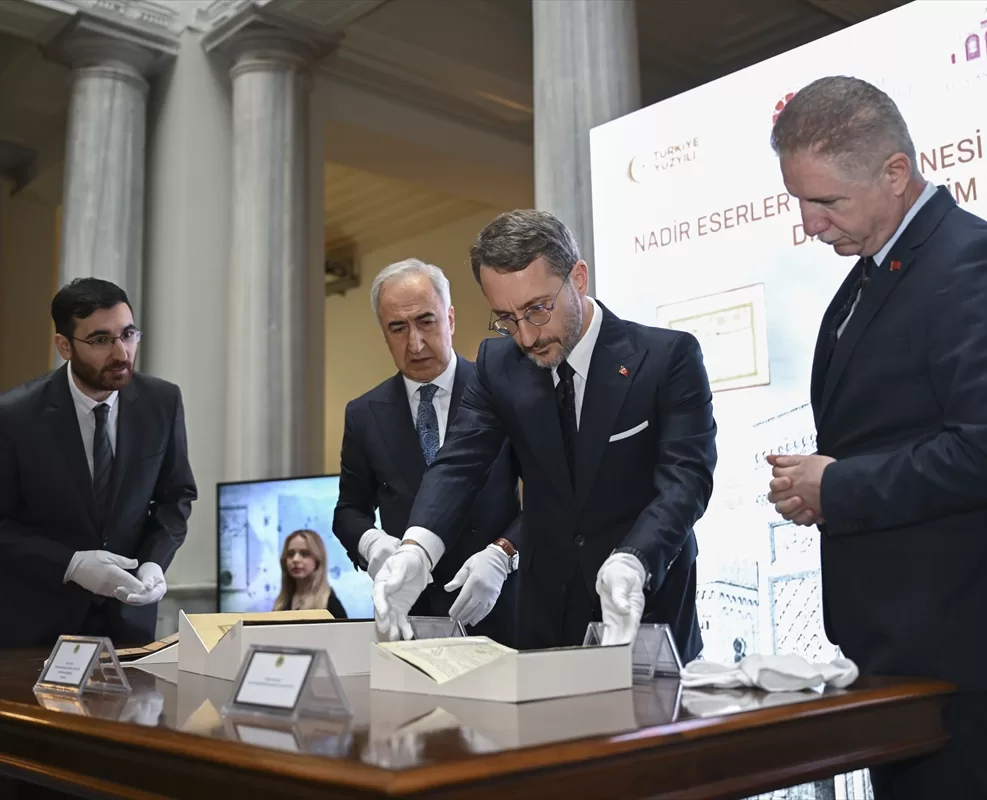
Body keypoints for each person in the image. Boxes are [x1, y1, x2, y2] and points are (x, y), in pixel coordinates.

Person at [764, 76, 987, 800]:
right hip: (899, 643)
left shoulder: (974, 262)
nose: (809, 223)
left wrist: (836, 485)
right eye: (799, 200)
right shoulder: (874, 269)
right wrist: (822, 488)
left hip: (959, 648)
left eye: (827, 201)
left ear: (895, 173)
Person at [371, 211, 717, 660]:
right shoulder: (499, 365)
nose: (526, 336)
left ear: (579, 278)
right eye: (506, 318)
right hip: (544, 620)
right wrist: (416, 551)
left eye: (537, 309)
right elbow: (459, 464)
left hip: (645, 608)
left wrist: (635, 558)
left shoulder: (666, 358)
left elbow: (686, 482)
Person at [0, 278, 197, 648]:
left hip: (127, 624)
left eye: (128, 334)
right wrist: (72, 564)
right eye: (100, 340)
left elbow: (176, 497)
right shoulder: (12, 415)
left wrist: (154, 561)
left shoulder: (162, 401)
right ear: (64, 346)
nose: (121, 353)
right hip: (33, 628)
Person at [333, 259, 522, 645]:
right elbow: (349, 511)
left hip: (496, 602)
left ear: (450, 318)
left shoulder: (502, 392)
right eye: (398, 328)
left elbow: (548, 494)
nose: (415, 343)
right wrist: (373, 543)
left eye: (426, 321)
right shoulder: (364, 414)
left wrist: (504, 552)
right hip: (410, 612)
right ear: (383, 333)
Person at [272, 529, 348, 618]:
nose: (295, 559)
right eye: (290, 554)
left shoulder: (331, 605)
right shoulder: (281, 604)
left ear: (318, 560)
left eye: (304, 554)